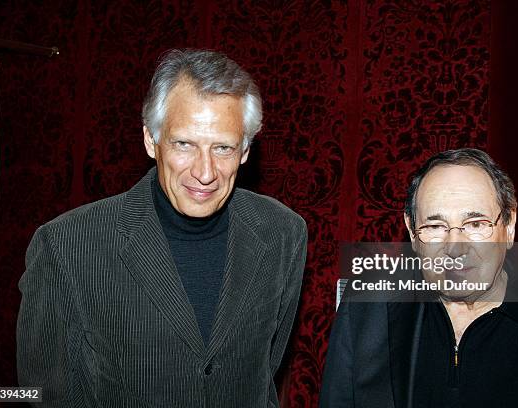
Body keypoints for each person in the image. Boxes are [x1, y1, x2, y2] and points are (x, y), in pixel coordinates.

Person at [17, 49, 307, 408]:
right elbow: (45, 396)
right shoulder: (67, 245)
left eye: (223, 148)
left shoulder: (283, 233)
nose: (204, 172)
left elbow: (265, 371)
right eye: (184, 144)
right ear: (151, 141)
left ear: (245, 151)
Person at [319, 148, 518, 408]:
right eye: (435, 226)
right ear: (412, 233)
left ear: (509, 227)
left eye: (475, 224)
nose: (456, 247)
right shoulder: (366, 311)